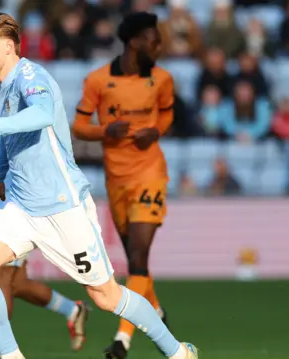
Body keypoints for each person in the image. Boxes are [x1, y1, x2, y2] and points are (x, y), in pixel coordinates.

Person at [0, 11, 198, 359]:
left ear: (8, 47)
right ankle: (9, 355)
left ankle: (177, 352)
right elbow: (12, 138)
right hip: (22, 206)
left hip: (62, 206)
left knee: (106, 295)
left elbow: (39, 115)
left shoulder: (32, 76)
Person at [0, 71, 90, 359]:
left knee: (1, 277)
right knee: (17, 284)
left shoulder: (19, 116)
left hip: (19, 209)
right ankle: (74, 309)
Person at [72, 12, 175, 359]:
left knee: (138, 257)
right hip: (116, 179)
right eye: (153, 39)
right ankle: (156, 312)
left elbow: (167, 113)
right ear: (133, 42)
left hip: (150, 174)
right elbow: (79, 125)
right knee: (136, 260)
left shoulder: (161, 79)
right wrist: (105, 132)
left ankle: (123, 340)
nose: (158, 46)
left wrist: (156, 131)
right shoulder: (99, 80)